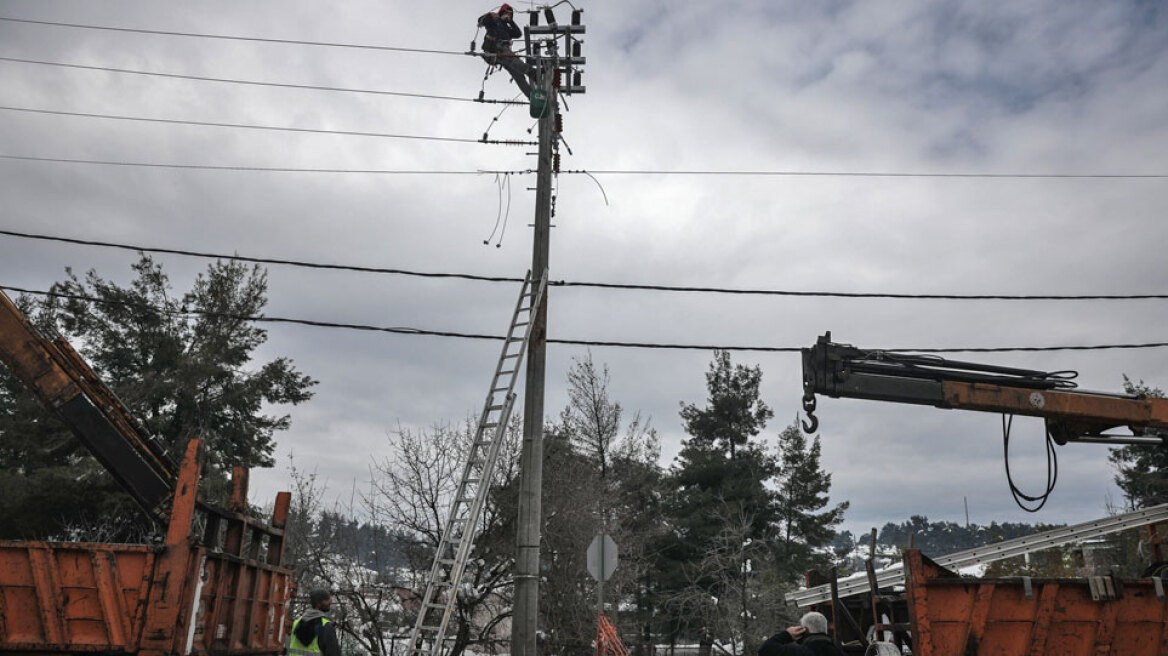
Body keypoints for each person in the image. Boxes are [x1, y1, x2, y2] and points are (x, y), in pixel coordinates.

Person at [477, 3, 533, 98]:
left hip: (504, 53)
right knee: (511, 58)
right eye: (507, 13)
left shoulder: (507, 29)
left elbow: (518, 33)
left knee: (518, 74)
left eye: (510, 15)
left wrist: (511, 22)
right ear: (502, 12)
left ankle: (531, 96)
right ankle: (531, 72)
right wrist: (490, 15)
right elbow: (481, 21)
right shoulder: (493, 21)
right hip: (495, 47)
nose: (508, 16)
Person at [759, 612, 844, 656]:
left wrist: (787, 634)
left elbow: (765, 650)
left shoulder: (798, 652)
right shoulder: (838, 652)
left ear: (804, 630)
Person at [287, 589, 342, 656]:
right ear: (318, 604)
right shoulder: (326, 626)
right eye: (327, 600)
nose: (330, 602)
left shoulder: (296, 623)